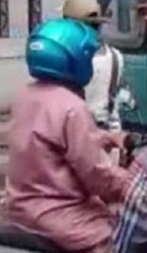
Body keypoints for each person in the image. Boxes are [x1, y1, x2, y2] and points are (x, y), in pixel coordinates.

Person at [7, 18, 131, 253]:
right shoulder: (72, 107)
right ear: (76, 58)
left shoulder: (27, 95)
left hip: (23, 211)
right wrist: (132, 183)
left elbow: (47, 139)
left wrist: (108, 137)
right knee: (122, 239)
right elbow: (97, 175)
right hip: (63, 219)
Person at [62, 0, 132, 132]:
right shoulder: (115, 56)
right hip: (106, 134)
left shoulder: (63, 59)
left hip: (75, 136)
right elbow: (118, 100)